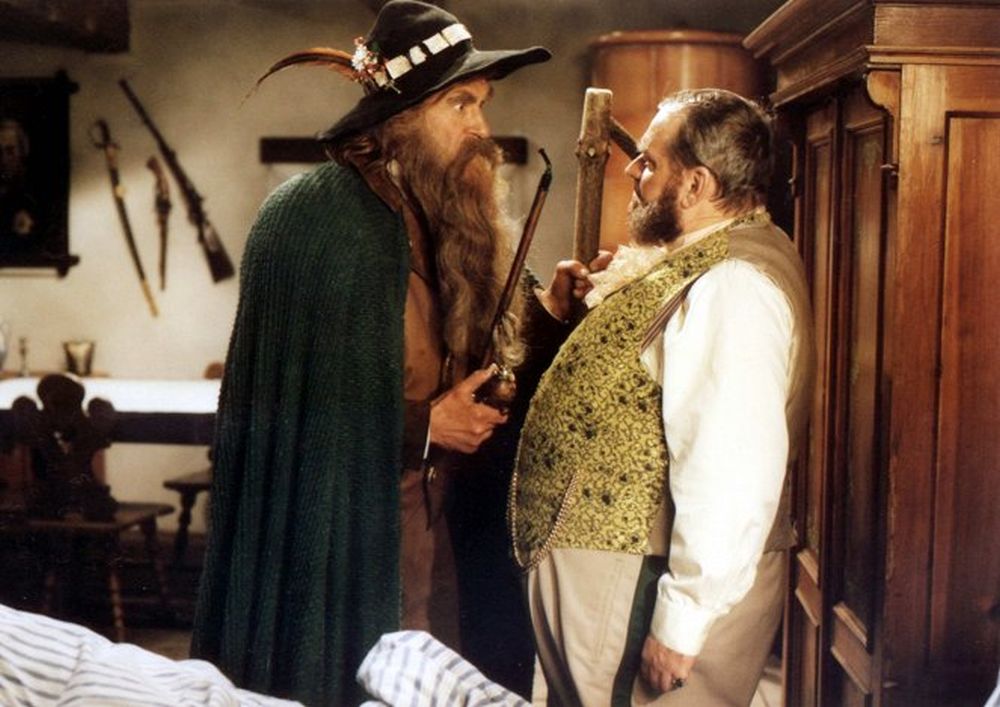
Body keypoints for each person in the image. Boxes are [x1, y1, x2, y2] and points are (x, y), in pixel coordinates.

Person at [190, 2, 560, 705]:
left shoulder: (453, 217)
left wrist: (552, 311)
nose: (481, 129)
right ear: (403, 117)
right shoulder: (315, 219)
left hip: (449, 529)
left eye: (482, 105)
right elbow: (286, 418)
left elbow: (498, 336)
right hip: (350, 538)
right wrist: (424, 425)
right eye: (460, 104)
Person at [511, 88, 815, 706]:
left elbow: (731, 468)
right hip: (619, 577)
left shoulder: (734, 284)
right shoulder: (703, 260)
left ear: (697, 184)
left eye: (650, 163)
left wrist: (681, 622)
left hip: (639, 583)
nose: (633, 172)